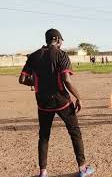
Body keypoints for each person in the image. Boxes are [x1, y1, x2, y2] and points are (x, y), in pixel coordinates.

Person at [19, 29, 94, 177]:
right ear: (57, 40)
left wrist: (36, 82)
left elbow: (22, 79)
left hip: (43, 103)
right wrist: (78, 97)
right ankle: (83, 169)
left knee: (44, 136)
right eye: (61, 40)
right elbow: (66, 80)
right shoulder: (61, 55)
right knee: (75, 133)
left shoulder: (34, 56)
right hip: (62, 101)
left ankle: (43, 173)